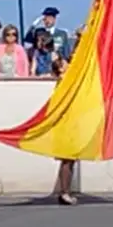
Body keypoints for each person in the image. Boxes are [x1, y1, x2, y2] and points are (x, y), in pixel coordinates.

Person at [51, 58, 78, 205]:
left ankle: (66, 191)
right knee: (67, 159)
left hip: (70, 122)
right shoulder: (63, 82)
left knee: (70, 159)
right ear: (61, 68)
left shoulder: (65, 81)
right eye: (65, 63)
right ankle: (65, 192)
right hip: (66, 124)